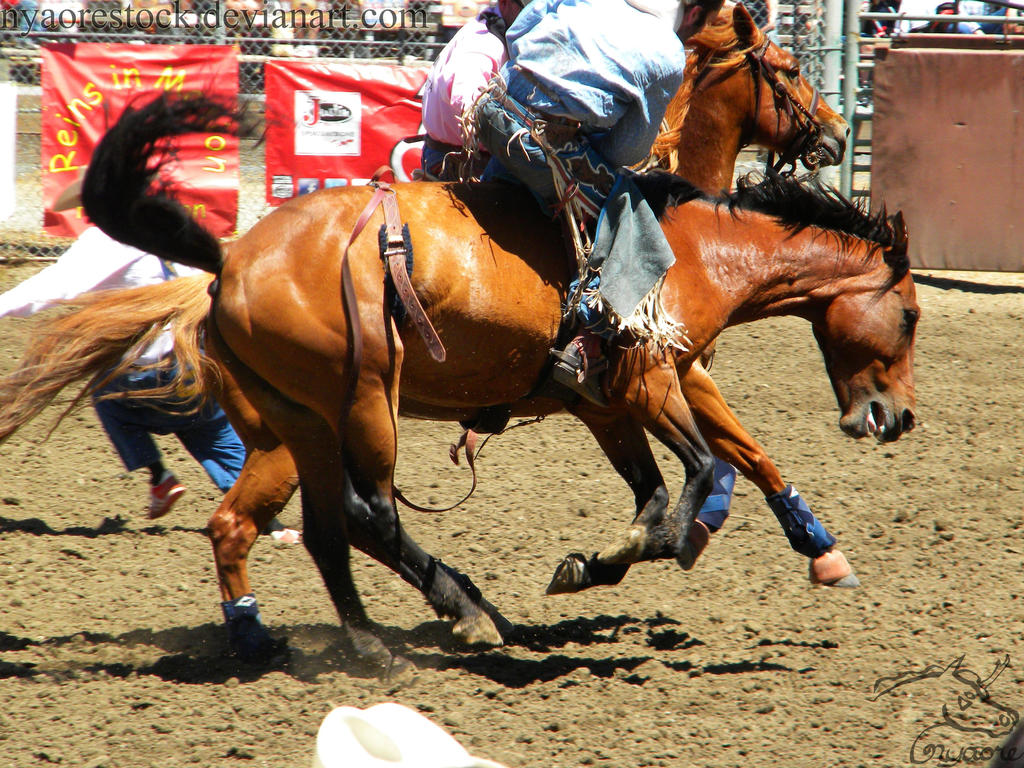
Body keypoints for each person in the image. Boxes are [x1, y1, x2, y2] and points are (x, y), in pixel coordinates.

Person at [472, 0, 724, 405]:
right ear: (692, 12)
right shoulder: (667, 52)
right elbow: (628, 149)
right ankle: (586, 344)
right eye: (705, 23)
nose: (696, 34)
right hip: (540, 143)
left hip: (490, 108)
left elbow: (520, 29)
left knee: (502, 202)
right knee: (633, 217)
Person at [0, 217, 300, 542]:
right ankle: (272, 525)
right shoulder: (175, 232)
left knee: (105, 394)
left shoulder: (107, 240)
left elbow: (49, 288)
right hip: (196, 366)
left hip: (143, 378)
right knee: (214, 435)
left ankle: (158, 474)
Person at [420, 0, 526, 180]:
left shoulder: (490, 29)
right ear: (506, 3)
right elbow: (466, 101)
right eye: (529, 7)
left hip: (452, 154)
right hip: (464, 164)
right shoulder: (484, 44)